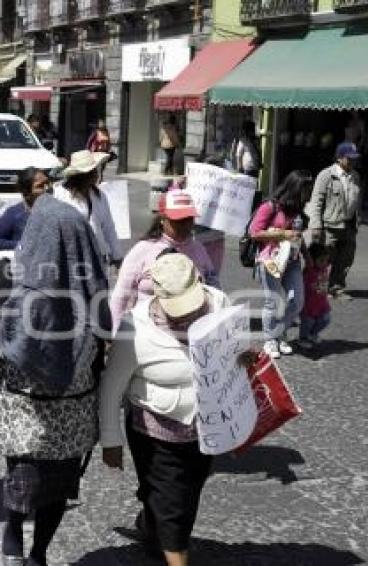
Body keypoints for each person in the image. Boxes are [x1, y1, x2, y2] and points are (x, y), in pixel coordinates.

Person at [0, 194, 110, 566]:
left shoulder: (83, 292)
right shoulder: (24, 281)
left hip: (61, 414)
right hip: (32, 414)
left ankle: (36, 553)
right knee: (27, 486)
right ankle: (16, 547)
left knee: (52, 489)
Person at [102, 253, 236, 566]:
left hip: (204, 427)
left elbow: (233, 347)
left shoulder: (220, 303)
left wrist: (242, 356)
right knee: (173, 506)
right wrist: (111, 442)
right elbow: (111, 388)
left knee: (186, 494)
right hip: (155, 433)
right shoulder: (133, 327)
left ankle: (151, 526)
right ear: (158, 295)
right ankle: (172, 546)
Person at [109, 190, 219, 331]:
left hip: (189, 335)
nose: (184, 226)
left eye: (188, 219)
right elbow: (121, 296)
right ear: (163, 219)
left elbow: (214, 287)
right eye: (177, 221)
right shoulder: (142, 250)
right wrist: (113, 333)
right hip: (148, 333)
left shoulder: (198, 249)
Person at [251, 170, 310, 359]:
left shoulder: (298, 210)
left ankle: (279, 334)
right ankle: (270, 340)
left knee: (297, 301)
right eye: (306, 190)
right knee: (272, 301)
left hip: (292, 262)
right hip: (271, 261)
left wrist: (306, 255)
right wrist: (283, 234)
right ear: (295, 189)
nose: (308, 194)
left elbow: (299, 237)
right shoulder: (270, 207)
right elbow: (255, 232)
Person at [307, 142, 362, 299]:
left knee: (346, 258)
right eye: (349, 158)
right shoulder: (326, 175)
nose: (352, 161)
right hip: (330, 224)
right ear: (339, 158)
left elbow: (357, 200)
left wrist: (359, 218)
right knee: (325, 258)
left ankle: (337, 288)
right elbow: (316, 201)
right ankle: (321, 289)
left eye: (354, 158)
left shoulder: (356, 176)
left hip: (349, 224)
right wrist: (316, 225)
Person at [53, 150, 122, 270]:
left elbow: (108, 227)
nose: (96, 174)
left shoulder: (99, 196)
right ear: (81, 176)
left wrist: (117, 256)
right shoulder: (61, 195)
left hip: (98, 255)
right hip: (72, 258)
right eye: (92, 171)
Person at [0, 168, 50, 252]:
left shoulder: (57, 212)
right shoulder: (14, 214)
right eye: (40, 186)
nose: (47, 189)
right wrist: (23, 245)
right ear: (26, 191)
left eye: (47, 184)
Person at [298, 242, 331, 351]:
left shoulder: (325, 269)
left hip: (321, 303)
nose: (325, 263)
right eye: (321, 260)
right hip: (308, 305)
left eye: (327, 260)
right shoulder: (310, 270)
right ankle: (303, 338)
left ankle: (312, 334)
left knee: (326, 319)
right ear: (312, 259)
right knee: (308, 323)